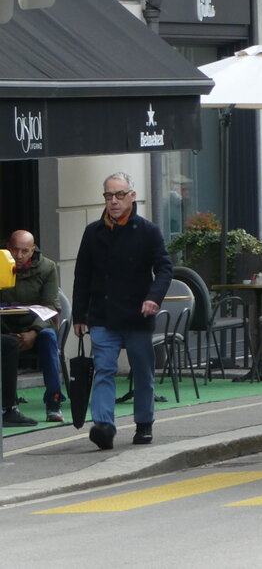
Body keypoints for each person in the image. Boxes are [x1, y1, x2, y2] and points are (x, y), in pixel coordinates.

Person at [73, 172, 173, 450]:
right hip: (103, 314)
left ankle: (144, 423)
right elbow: (82, 275)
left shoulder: (148, 231)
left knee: (142, 371)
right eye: (108, 195)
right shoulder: (93, 232)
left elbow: (164, 269)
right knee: (104, 369)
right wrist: (79, 315)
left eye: (119, 195)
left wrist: (154, 298)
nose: (113, 201)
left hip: (138, 314)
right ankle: (103, 426)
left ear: (132, 196)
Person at [0, 230, 66, 421]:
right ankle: (8, 404)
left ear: (33, 250)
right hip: (6, 327)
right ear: (7, 248)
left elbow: (51, 306)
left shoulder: (47, 268)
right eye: (14, 250)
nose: (18, 256)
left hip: (36, 326)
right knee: (5, 343)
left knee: (49, 338)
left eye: (24, 251)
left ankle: (53, 401)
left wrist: (34, 332)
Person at [2, 333, 38, 426]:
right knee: (10, 343)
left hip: (33, 330)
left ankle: (53, 401)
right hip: (9, 330)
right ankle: (6, 409)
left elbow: (48, 320)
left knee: (48, 336)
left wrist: (34, 331)